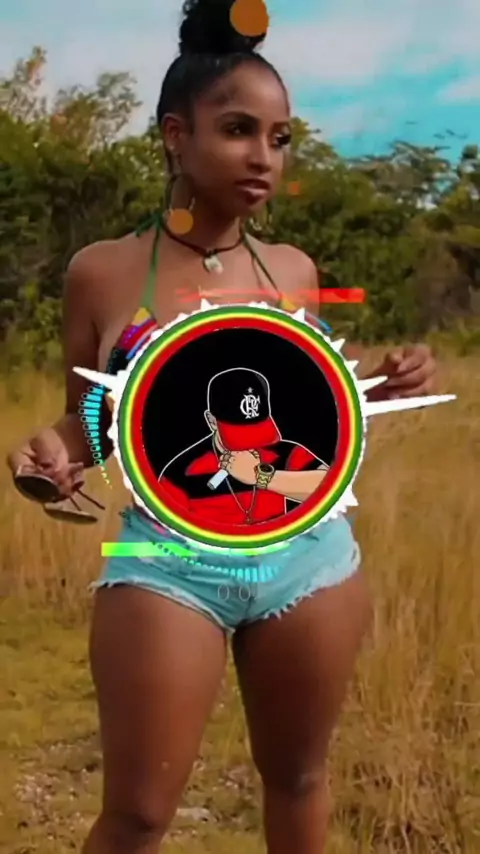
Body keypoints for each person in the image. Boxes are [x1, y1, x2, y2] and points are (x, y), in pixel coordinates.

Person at [6, 1, 436, 852]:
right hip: (165, 561)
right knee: (137, 814)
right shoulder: (102, 272)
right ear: (176, 136)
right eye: (239, 130)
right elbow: (91, 416)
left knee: (299, 779)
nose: (264, 157)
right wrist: (52, 454)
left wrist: (382, 385)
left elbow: (306, 414)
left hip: (309, 559)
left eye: (280, 138)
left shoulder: (295, 273)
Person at [158, 366, 329, 522]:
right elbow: (165, 534)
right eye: (240, 435)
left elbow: (331, 488)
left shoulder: (283, 452)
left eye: (258, 433)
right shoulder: (181, 472)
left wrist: (261, 478)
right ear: (212, 421)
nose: (251, 445)